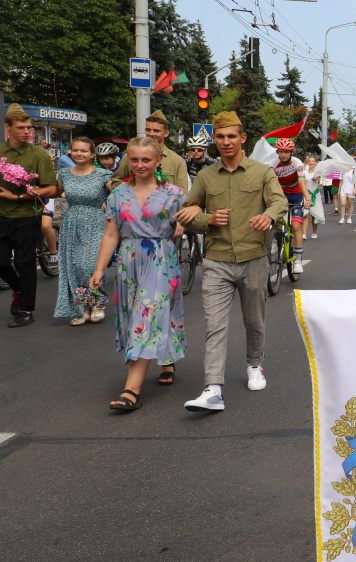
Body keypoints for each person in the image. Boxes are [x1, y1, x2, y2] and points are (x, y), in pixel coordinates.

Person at [176, 111, 287, 412]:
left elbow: (279, 201)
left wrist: (268, 215)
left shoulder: (262, 172)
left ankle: (255, 364)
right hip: (217, 261)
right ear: (214, 139)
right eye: (220, 136)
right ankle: (213, 389)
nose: (226, 142)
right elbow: (188, 214)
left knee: (254, 321)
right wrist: (207, 219)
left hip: (254, 259)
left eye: (231, 136)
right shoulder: (206, 176)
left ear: (242, 138)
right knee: (215, 325)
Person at [87, 137, 187, 411]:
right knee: (138, 314)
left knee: (146, 315)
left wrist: (187, 223)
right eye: (134, 160)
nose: (140, 165)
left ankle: (131, 389)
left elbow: (193, 218)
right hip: (128, 262)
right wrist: (98, 269)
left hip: (162, 259)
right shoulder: (118, 195)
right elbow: (111, 233)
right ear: (128, 161)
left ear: (157, 161)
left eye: (146, 159)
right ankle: (166, 361)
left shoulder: (174, 193)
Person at [0, 104, 58, 327]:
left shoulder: (38, 155)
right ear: (8, 127)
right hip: (1, 216)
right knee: (1, 261)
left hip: (26, 216)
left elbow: (52, 189)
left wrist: (25, 195)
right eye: (21, 127)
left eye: (29, 127)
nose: (27, 131)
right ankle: (18, 290)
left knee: (25, 264)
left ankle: (25, 310)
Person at [54, 137, 112, 325]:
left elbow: (120, 192)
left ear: (92, 154)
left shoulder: (103, 174)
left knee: (90, 265)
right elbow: (56, 192)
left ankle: (98, 304)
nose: (79, 153)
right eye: (75, 150)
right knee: (76, 267)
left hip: (96, 222)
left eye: (84, 151)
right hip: (72, 223)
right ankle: (84, 308)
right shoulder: (64, 174)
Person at [108, 110, 188, 192]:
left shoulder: (177, 161)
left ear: (166, 133)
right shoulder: (130, 156)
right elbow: (116, 182)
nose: (151, 134)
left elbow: (182, 193)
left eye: (156, 131)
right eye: (148, 130)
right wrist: (131, 191)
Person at [272, 138, 311, 274]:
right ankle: (275, 242)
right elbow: (268, 184)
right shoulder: (273, 164)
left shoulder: (297, 163)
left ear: (292, 152)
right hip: (281, 195)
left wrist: (307, 198)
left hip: (296, 195)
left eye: (287, 152)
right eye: (281, 151)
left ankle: (298, 261)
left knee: (295, 226)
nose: (283, 155)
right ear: (277, 151)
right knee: (274, 221)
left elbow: (302, 183)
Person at [301, 154, 321, 241]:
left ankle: (314, 232)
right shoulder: (304, 172)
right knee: (306, 214)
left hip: (315, 194)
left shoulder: (317, 172)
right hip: (306, 194)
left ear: (316, 163)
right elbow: (301, 182)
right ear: (307, 162)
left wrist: (316, 177)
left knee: (314, 215)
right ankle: (304, 234)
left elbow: (317, 178)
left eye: (313, 161)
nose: (311, 162)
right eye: (310, 161)